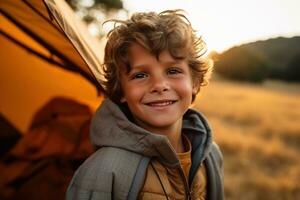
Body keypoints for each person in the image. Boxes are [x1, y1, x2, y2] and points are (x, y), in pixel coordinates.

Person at [66, 9, 224, 200]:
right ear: (121, 90)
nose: (159, 86)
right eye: (140, 75)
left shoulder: (211, 156)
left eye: (173, 71)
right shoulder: (102, 171)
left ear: (195, 82)